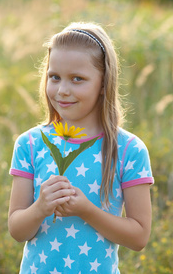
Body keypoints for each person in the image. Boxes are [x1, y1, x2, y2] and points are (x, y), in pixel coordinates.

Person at [8, 22, 154, 273]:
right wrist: (39, 208)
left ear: (103, 83)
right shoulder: (30, 144)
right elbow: (16, 230)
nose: (63, 90)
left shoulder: (128, 149)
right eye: (55, 77)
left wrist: (86, 210)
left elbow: (139, 237)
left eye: (78, 79)